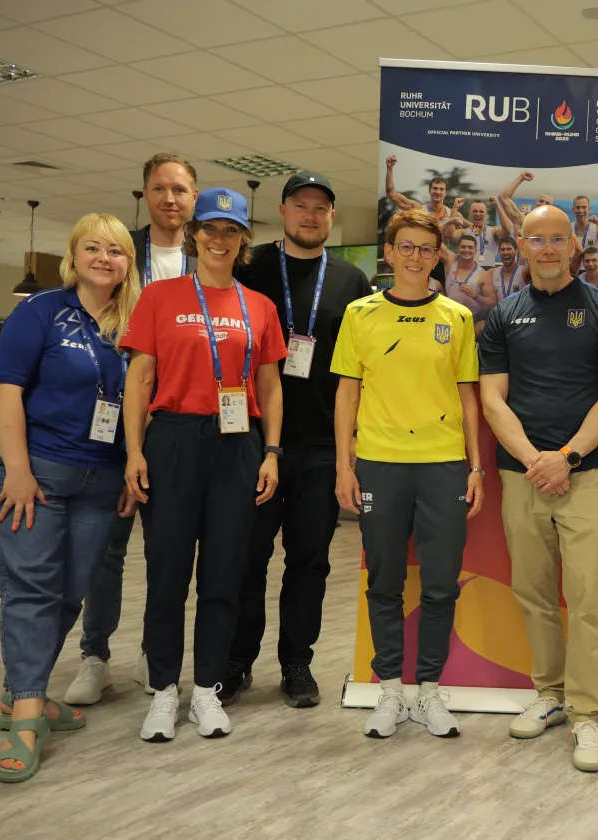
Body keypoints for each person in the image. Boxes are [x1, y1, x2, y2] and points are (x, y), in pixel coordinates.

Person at [121, 187, 288, 742]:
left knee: (223, 573)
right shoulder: (159, 297)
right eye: (210, 228)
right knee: (167, 573)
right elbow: (140, 378)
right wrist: (135, 450)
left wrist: (271, 451)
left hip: (237, 444)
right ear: (194, 235)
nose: (219, 239)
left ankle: (208, 689)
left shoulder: (259, 306)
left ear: (243, 240)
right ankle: (164, 689)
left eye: (230, 231)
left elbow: (270, 385)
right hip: (172, 439)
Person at [0, 212, 140, 781]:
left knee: (72, 590)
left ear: (128, 263)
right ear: (73, 257)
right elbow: (5, 391)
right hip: (35, 470)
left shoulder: (132, 323)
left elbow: (138, 402)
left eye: (116, 250)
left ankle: (20, 692)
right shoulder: (41, 310)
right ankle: (28, 716)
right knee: (34, 586)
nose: (104, 258)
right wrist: (18, 471)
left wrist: (128, 470)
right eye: (93, 248)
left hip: (101, 476)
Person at [478, 205, 598, 773]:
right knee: (534, 591)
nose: (547, 249)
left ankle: (588, 714)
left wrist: (565, 458)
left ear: (574, 245)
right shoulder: (504, 315)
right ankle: (549, 694)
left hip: (584, 475)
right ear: (520, 245)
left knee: (587, 597)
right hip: (522, 475)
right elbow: (492, 398)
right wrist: (534, 461)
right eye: (536, 239)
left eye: (557, 239)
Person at [219, 172, 373, 708]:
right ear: (282, 211)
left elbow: (362, 370)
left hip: (322, 447)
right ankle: (237, 660)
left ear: (332, 217)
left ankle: (297, 663)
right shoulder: (249, 268)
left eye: (321, 208)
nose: (311, 215)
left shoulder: (352, 281)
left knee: (309, 562)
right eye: (301, 205)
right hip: (254, 442)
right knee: (247, 558)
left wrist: (351, 448)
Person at [331, 208, 484, 739]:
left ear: (437, 255)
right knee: (385, 584)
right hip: (380, 465)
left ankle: (429, 692)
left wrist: (476, 466)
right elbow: (346, 394)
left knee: (441, 586)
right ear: (390, 253)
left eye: (426, 248)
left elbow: (469, 398)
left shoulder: (457, 317)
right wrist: (344, 465)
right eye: (407, 247)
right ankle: (391, 691)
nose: (416, 257)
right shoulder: (360, 314)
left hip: (443, 467)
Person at [64, 152, 199, 706]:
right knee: (107, 549)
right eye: (159, 188)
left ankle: (154, 652)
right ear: (145, 194)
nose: (170, 199)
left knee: (169, 551)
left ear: (194, 197)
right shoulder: (121, 252)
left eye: (180, 189)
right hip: (118, 415)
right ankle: (95, 656)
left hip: (181, 422)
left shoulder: (210, 255)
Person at [440, 234, 498, 336]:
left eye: (470, 247)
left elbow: (492, 303)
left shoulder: (483, 274)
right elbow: (435, 241)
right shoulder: (451, 261)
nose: (466, 250)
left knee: (483, 327)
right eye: (463, 247)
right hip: (450, 318)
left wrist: (474, 295)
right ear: (458, 249)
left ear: (475, 251)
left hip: (472, 321)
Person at [384, 155, 456, 224]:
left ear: (445, 192)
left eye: (441, 189)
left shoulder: (453, 214)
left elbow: (462, 230)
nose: (438, 192)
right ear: (429, 191)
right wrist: (390, 168)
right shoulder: (419, 210)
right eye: (435, 188)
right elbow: (391, 194)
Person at [446, 199, 506, 266]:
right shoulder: (464, 233)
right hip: (469, 271)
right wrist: (455, 207)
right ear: (470, 213)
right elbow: (449, 234)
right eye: (475, 211)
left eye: (481, 211)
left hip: (488, 272)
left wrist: (497, 206)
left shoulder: (493, 232)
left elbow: (507, 230)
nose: (478, 214)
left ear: (485, 214)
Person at [488, 236, 528, 301]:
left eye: (509, 249)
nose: (506, 252)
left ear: (516, 250)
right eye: (503, 249)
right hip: (499, 307)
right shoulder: (492, 273)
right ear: (499, 252)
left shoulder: (524, 272)